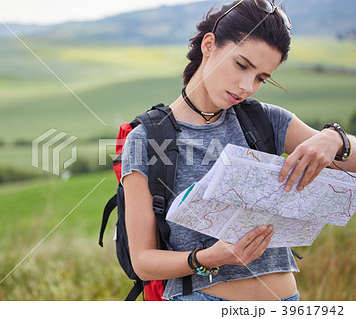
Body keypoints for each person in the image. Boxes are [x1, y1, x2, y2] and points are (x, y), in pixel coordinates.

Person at [120, 0, 356, 301]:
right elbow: (143, 262)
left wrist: (335, 139)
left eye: (261, 78)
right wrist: (207, 258)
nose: (247, 86)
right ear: (209, 45)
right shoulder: (147, 139)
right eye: (241, 65)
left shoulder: (265, 120)